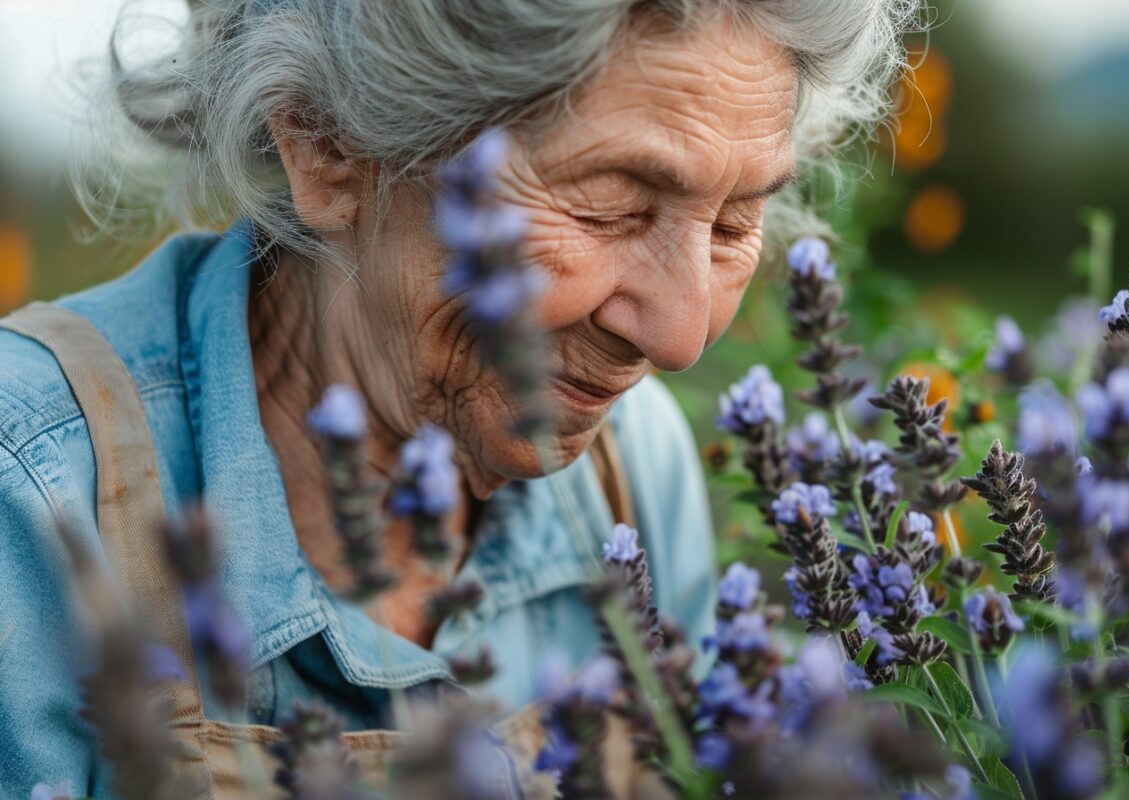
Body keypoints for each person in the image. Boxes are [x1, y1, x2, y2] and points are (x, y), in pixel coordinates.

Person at [0, 0, 917, 795]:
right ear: (324, 145)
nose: (680, 338)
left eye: (732, 224)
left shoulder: (635, 471)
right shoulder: (31, 504)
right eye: (607, 207)